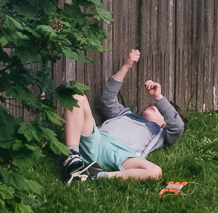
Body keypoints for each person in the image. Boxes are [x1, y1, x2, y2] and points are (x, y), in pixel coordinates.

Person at [61, 49, 185, 183]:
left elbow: (177, 127)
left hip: (122, 155)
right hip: (97, 140)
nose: (155, 106)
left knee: (155, 171)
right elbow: (108, 98)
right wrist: (126, 66)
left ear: (164, 123)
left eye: (161, 109)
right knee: (77, 97)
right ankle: (73, 155)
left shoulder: (160, 133)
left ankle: (95, 176)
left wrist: (158, 97)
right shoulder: (124, 114)